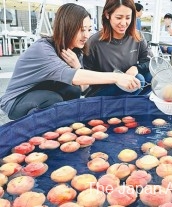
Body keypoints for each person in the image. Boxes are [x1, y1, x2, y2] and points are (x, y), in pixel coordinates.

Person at [0, 3, 141, 120]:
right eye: (81, 30)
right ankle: (34, 131)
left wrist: (78, 66)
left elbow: (84, 91)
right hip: (16, 101)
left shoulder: (75, 51)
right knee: (51, 99)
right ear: (66, 27)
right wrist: (118, 77)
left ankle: (60, 123)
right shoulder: (43, 49)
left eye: (89, 29)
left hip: (45, 92)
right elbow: (73, 77)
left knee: (72, 90)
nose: (86, 35)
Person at [83, 0, 151, 97]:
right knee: (139, 79)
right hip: (102, 90)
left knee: (151, 76)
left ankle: (129, 104)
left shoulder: (138, 36)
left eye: (128, 17)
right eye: (119, 17)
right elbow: (86, 76)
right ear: (107, 14)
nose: (123, 23)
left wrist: (136, 67)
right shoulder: (94, 42)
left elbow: (148, 62)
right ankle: (122, 107)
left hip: (129, 85)